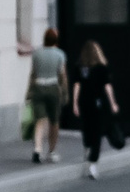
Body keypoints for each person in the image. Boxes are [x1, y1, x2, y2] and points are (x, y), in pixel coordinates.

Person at [75, 41, 124, 179]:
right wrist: (113, 103)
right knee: (97, 132)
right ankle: (93, 163)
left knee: (87, 128)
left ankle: (87, 148)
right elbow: (107, 87)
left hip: (84, 103)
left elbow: (77, 86)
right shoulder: (102, 68)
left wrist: (75, 103)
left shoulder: (81, 68)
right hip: (98, 103)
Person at [28, 29, 67, 163]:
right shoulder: (60, 54)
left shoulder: (36, 54)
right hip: (52, 88)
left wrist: (29, 91)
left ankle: (37, 149)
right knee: (54, 121)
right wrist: (64, 92)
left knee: (39, 120)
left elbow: (33, 74)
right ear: (56, 40)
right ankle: (51, 151)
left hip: (38, 87)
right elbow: (62, 75)